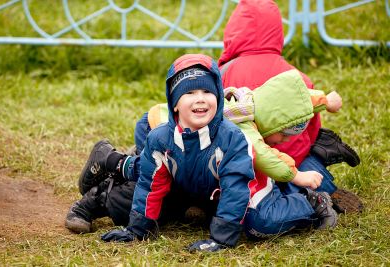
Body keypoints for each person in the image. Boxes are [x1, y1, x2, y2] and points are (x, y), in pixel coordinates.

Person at [97, 54, 339, 252]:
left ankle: (310, 202)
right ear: (174, 103)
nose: (199, 99)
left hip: (249, 185)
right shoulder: (160, 138)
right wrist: (136, 229)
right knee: (154, 200)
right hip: (205, 189)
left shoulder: (232, 137)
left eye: (207, 92)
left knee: (259, 225)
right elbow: (150, 185)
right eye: (189, 93)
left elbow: (236, 189)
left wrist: (221, 239)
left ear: (219, 97)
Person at [216, 0, 361, 212]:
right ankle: (326, 187)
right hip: (293, 161)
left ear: (232, 33)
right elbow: (309, 125)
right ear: (278, 34)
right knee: (304, 172)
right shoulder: (295, 76)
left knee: (247, 192)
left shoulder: (223, 73)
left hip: (246, 162)